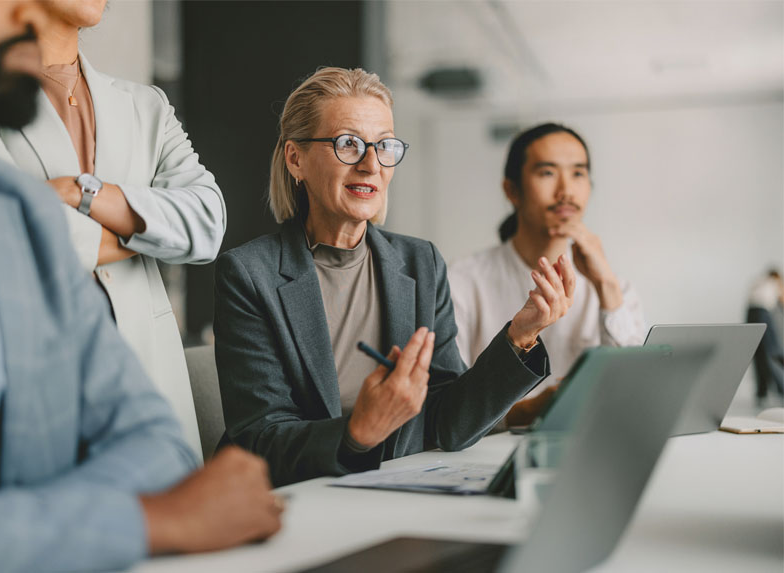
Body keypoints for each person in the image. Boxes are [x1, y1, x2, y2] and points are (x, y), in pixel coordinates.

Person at [0, 2, 280, 571]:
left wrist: (84, 195)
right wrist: (147, 522)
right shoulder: (7, 199)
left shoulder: (3, 201)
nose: (26, 16)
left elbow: (208, 225)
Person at [214, 68, 575, 487]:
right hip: (293, 498)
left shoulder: (420, 262)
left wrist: (520, 336)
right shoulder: (248, 274)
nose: (371, 165)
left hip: (393, 486)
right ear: (296, 159)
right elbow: (260, 439)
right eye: (348, 144)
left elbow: (448, 422)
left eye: (384, 146)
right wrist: (358, 433)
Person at [0, 0, 226, 456]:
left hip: (152, 388)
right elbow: (11, 233)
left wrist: (83, 193)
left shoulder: (148, 106)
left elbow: (206, 223)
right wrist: (148, 234)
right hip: (41, 392)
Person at [449, 123, 646, 425]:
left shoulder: (614, 287)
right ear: (512, 190)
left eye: (578, 173)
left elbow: (635, 394)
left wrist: (605, 285)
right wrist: (530, 410)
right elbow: (449, 409)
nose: (566, 191)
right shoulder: (461, 282)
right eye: (547, 173)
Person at [747, 269, 784, 404]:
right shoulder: (774, 283)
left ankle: (761, 390)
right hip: (762, 313)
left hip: (750, 314)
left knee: (758, 354)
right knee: (773, 353)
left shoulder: (758, 281)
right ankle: (782, 389)